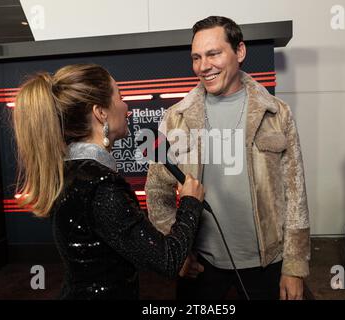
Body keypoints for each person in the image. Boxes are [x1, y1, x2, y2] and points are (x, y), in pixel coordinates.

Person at [145, 16, 310, 300]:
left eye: (213, 54)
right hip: (201, 266)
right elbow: (156, 192)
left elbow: (295, 196)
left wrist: (294, 267)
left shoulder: (277, 113)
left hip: (268, 263)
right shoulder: (176, 117)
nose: (203, 66)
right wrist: (177, 251)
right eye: (196, 57)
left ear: (240, 52)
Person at [12, 63, 205, 299]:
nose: (127, 107)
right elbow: (167, 261)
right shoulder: (102, 187)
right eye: (120, 96)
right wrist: (190, 203)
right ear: (100, 112)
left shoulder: (72, 171)